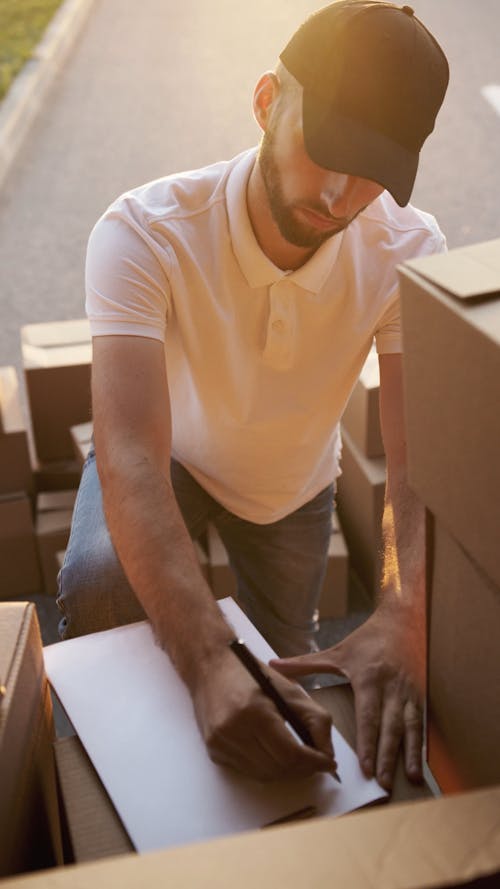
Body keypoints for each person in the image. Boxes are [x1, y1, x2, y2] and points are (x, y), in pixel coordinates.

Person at [57, 1, 449, 790]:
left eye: (371, 170)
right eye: (326, 148)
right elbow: (130, 448)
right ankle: (106, 760)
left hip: (292, 481)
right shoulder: (143, 231)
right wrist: (205, 663)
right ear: (268, 102)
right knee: (101, 579)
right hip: (171, 452)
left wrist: (404, 611)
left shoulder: (407, 248)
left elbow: (415, 458)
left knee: (287, 666)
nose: (338, 194)